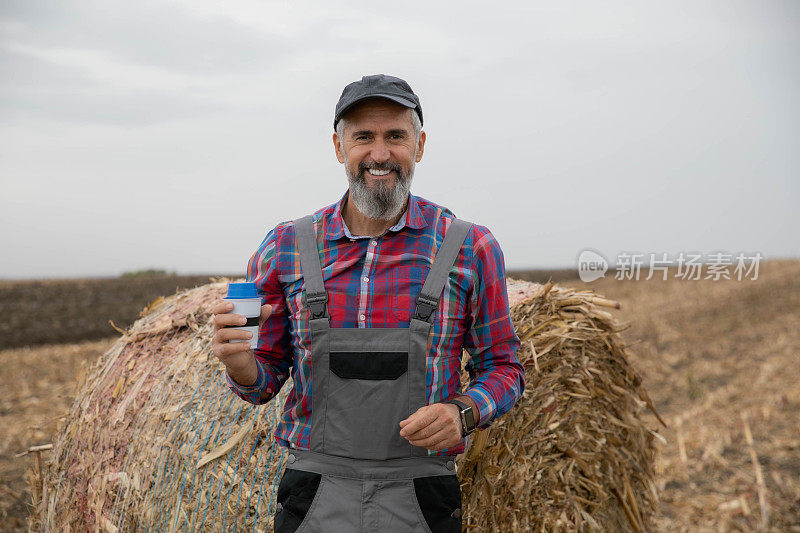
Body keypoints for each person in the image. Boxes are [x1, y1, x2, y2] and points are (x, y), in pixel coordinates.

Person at [211, 74, 525, 533]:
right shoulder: (285, 246)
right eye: (363, 137)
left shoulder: (469, 247)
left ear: (419, 146)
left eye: (395, 136)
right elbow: (262, 382)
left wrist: (464, 411)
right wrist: (240, 363)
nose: (380, 154)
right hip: (314, 494)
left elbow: (505, 367)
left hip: (422, 496)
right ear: (339, 148)